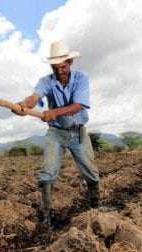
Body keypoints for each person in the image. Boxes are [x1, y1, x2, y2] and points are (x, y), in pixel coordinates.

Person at [13, 41, 100, 227]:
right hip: (56, 133)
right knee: (48, 172)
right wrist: (23, 106)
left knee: (91, 172)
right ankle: (47, 217)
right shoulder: (46, 81)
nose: (60, 70)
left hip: (78, 132)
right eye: (55, 67)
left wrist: (54, 112)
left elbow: (79, 105)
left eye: (63, 66)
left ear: (70, 62)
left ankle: (96, 207)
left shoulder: (81, 78)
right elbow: (35, 97)